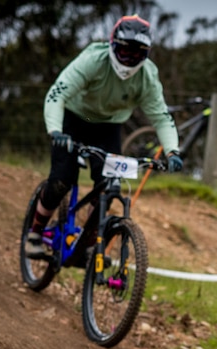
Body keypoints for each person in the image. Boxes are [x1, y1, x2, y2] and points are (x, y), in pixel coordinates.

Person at [25, 14, 183, 258]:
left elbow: (161, 117)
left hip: (108, 127)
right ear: (112, 45)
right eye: (124, 52)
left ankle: (86, 243)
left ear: (146, 55)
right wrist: (55, 130)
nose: (129, 61)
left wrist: (172, 151)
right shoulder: (92, 60)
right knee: (61, 180)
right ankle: (35, 234)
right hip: (74, 119)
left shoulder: (147, 77)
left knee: (108, 187)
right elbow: (57, 94)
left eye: (137, 55)